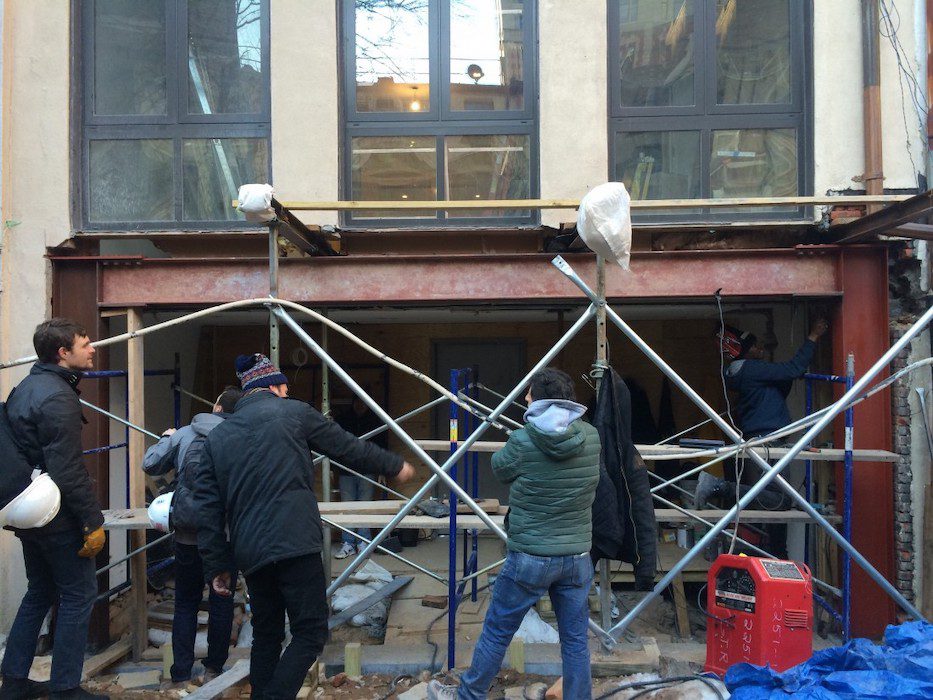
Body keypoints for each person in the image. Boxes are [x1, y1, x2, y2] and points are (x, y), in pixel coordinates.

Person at [194, 354, 416, 700]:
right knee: (310, 632)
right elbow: (345, 447)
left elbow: (207, 509)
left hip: (251, 550)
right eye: (285, 386)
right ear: (274, 385)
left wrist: (217, 564)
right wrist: (393, 464)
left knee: (267, 633)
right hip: (296, 541)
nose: (287, 392)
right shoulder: (294, 412)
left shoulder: (218, 439)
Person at [428, 368, 601, 700]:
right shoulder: (591, 436)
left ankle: (468, 696)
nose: (525, 397)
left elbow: (499, 467)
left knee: (496, 633)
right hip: (577, 556)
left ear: (541, 400)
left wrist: (527, 435)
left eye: (529, 393)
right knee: (576, 639)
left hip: (531, 557)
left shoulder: (523, 441)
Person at [0, 319, 107, 700]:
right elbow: (66, 469)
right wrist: (92, 519)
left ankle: (12, 682)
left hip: (25, 508)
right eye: (85, 343)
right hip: (55, 513)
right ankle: (65, 687)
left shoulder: (25, 388)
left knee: (39, 592)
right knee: (79, 595)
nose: (92, 348)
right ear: (63, 353)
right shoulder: (58, 397)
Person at [696, 320, 829, 548]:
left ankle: (777, 556)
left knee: (770, 510)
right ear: (744, 351)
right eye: (755, 347)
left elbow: (783, 379)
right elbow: (793, 369)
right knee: (779, 501)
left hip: (760, 441)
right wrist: (813, 337)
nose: (760, 350)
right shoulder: (751, 369)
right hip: (767, 442)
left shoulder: (742, 372)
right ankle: (717, 486)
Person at [142, 386, 242, 689]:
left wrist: (165, 437)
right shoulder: (238, 438)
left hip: (187, 534)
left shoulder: (184, 433)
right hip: (223, 537)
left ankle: (181, 674)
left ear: (215, 406)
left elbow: (150, 463)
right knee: (222, 602)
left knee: (185, 603)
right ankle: (213, 669)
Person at [333, 394, 387, 559]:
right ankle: (348, 542)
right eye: (358, 402)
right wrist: (333, 468)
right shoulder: (343, 419)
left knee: (365, 506)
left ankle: (363, 541)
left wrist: (383, 469)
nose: (361, 406)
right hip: (346, 469)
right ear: (354, 402)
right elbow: (334, 445)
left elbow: (382, 445)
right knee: (347, 507)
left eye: (364, 403)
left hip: (367, 468)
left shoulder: (374, 420)